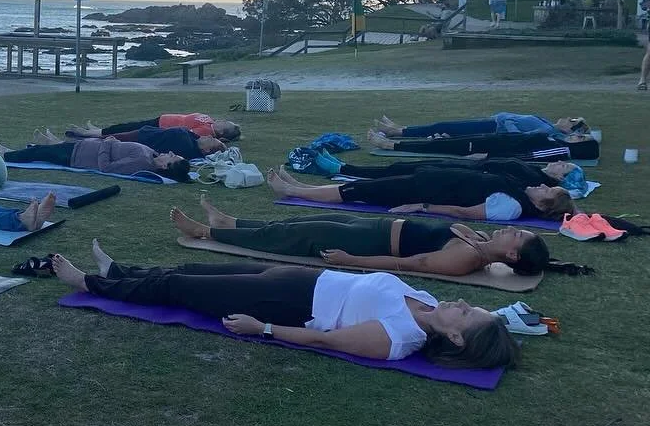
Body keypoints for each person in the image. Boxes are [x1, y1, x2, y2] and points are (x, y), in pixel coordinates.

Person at [48, 241, 518, 368]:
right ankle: (119, 271)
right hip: (303, 279)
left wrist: (264, 329)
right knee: (189, 269)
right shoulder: (428, 301)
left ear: (455, 337)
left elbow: (326, 339)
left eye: (466, 313)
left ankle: (91, 284)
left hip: (282, 302)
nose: (462, 302)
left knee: (177, 286)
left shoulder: (399, 338)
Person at [170, 196, 589, 277]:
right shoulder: (478, 239)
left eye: (514, 235)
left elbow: (406, 263)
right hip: (373, 227)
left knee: (291, 239)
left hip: (369, 244)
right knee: (293, 225)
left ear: (511, 256)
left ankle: (207, 231)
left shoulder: (465, 259)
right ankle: (230, 221)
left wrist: (352, 262)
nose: (509, 229)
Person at [268, 167, 574, 222]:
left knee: (355, 192)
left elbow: (464, 213)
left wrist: (421, 206)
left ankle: (291, 190)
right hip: (429, 179)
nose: (543, 185)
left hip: (422, 191)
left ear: (542, 204)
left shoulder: (511, 207)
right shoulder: (520, 192)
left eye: (548, 190)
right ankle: (301, 187)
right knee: (358, 188)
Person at [302, 151, 588, 194]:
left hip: (463, 174)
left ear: (560, 178)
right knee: (400, 167)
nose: (559, 162)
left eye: (564, 166)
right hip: (468, 166)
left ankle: (342, 170)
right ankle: (344, 167)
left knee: (397, 173)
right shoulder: (536, 170)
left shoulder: (535, 180)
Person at [0, 135, 193, 182]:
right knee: (41, 150)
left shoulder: (142, 162)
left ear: (165, 167)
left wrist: (106, 142)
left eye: (172, 157)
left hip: (77, 157)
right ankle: (10, 153)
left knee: (38, 153)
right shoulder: (153, 154)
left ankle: (4, 155)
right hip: (84, 146)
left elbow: (106, 167)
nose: (170, 152)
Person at [365, 129, 600, 162]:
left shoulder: (561, 150)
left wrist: (487, 157)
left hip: (489, 148)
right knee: (443, 143)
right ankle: (392, 142)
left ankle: (390, 145)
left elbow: (527, 157)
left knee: (437, 148)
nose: (576, 136)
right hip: (492, 140)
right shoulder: (558, 141)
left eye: (581, 138)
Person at [64, 123, 225, 159]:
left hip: (143, 140)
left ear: (207, 150)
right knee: (107, 137)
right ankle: (81, 136)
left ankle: (76, 139)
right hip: (145, 133)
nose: (210, 137)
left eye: (212, 141)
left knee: (104, 141)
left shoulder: (189, 148)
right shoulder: (194, 140)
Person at [375, 113, 588, 139]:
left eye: (571, 121)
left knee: (444, 126)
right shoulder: (547, 123)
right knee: (444, 125)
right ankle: (401, 128)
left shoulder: (548, 130)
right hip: (491, 123)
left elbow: (520, 136)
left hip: (491, 128)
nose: (567, 118)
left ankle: (397, 131)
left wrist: (506, 122)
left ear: (569, 129)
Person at [70, 113, 241, 142]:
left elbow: (186, 134)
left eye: (225, 123)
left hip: (160, 127)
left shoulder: (207, 131)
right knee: (126, 126)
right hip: (162, 119)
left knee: (127, 130)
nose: (223, 120)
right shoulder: (209, 122)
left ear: (221, 131)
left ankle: (90, 134)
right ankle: (97, 130)